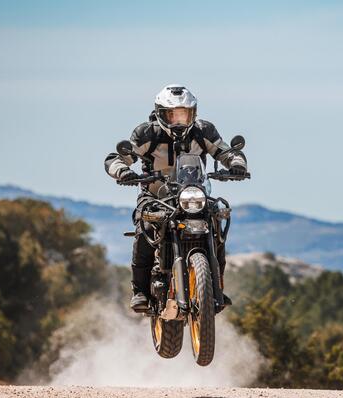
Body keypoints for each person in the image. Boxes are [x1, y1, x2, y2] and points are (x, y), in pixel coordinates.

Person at [104, 84, 248, 311]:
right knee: (145, 229)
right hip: (155, 195)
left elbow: (226, 151)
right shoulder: (147, 134)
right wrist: (123, 171)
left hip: (194, 194)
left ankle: (215, 285)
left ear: (193, 114)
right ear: (161, 114)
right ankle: (140, 291)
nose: (179, 120)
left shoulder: (204, 131)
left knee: (217, 226)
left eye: (185, 114)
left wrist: (237, 164)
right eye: (173, 115)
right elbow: (115, 158)